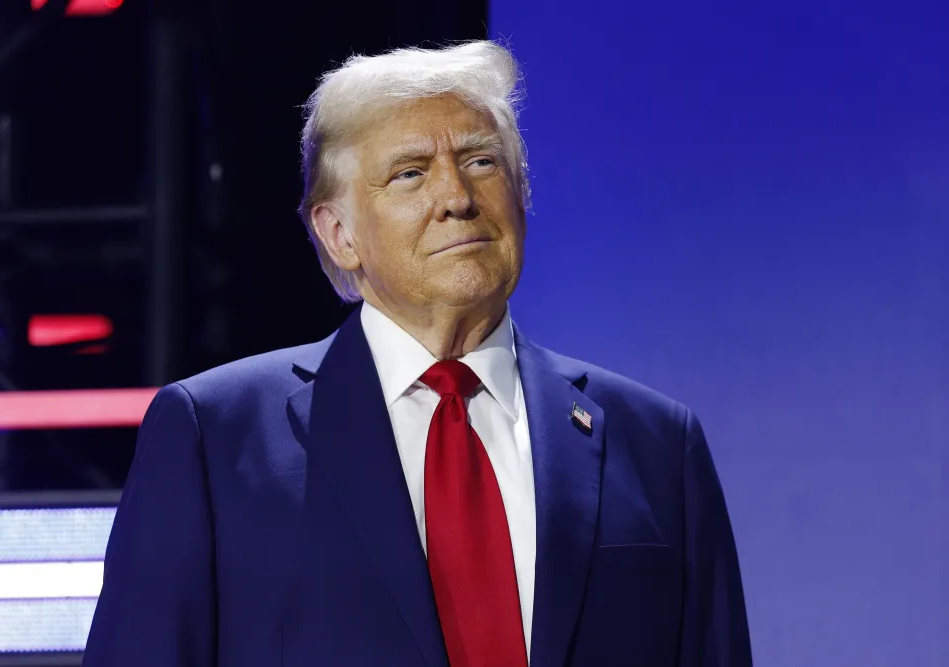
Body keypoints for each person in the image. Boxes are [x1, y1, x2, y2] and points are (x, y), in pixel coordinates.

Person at [82, 41, 752, 667]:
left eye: (482, 161)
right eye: (409, 174)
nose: (457, 198)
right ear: (339, 233)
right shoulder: (215, 440)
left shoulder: (659, 445)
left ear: (522, 195)